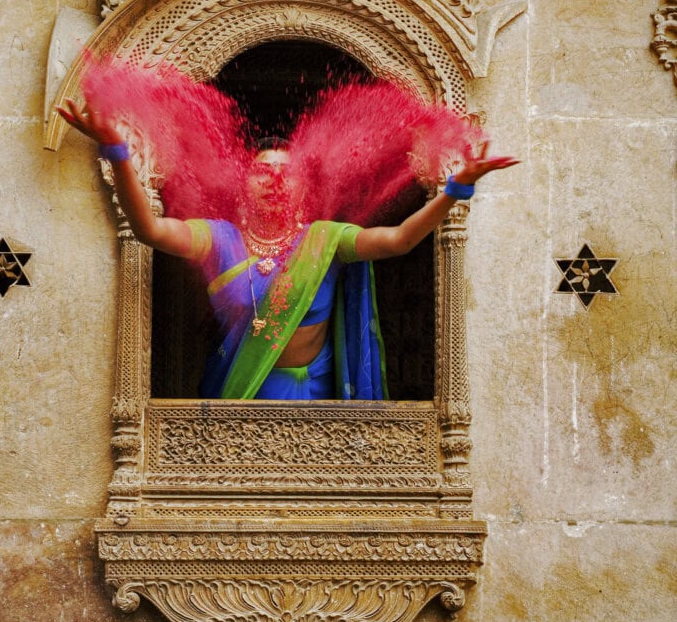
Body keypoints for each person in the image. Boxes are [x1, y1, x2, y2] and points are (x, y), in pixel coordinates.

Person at [57, 98, 517, 401]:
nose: (275, 180)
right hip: (236, 398)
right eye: (262, 172)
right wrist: (117, 151)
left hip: (315, 402)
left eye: (287, 172)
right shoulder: (219, 238)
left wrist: (455, 189)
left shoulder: (326, 240)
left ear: (303, 190)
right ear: (244, 189)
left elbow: (400, 240)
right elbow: (150, 230)